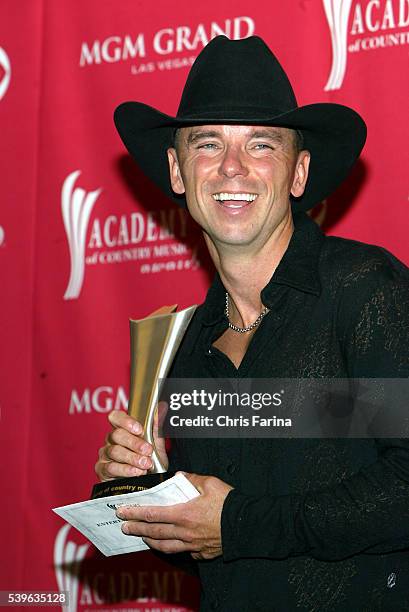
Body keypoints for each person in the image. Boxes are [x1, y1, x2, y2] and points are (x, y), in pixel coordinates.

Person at [95, 36, 409, 611]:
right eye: (208, 143)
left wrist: (237, 523)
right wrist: (141, 494)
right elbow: (205, 543)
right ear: (177, 170)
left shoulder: (362, 291)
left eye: (260, 145)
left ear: (298, 172)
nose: (232, 167)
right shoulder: (186, 347)